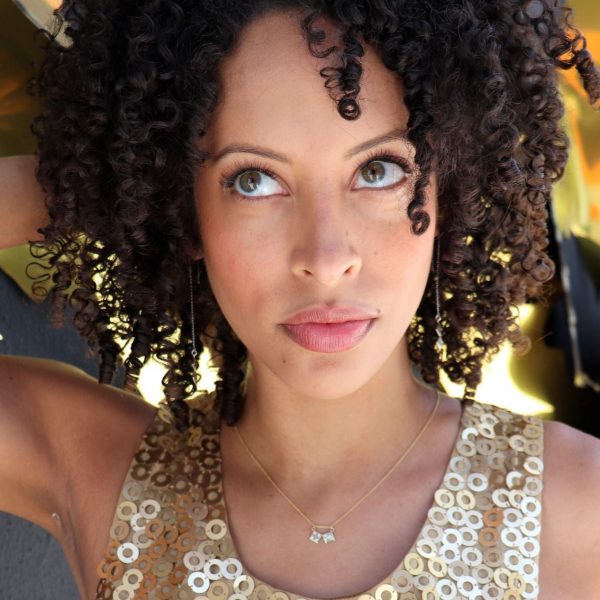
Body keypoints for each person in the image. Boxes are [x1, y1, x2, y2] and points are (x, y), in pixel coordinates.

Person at [1, 0, 600, 598]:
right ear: (185, 212)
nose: (325, 256)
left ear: (452, 188)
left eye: (378, 171)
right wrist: (95, 188)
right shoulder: (99, 468)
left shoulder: (579, 503)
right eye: (253, 180)